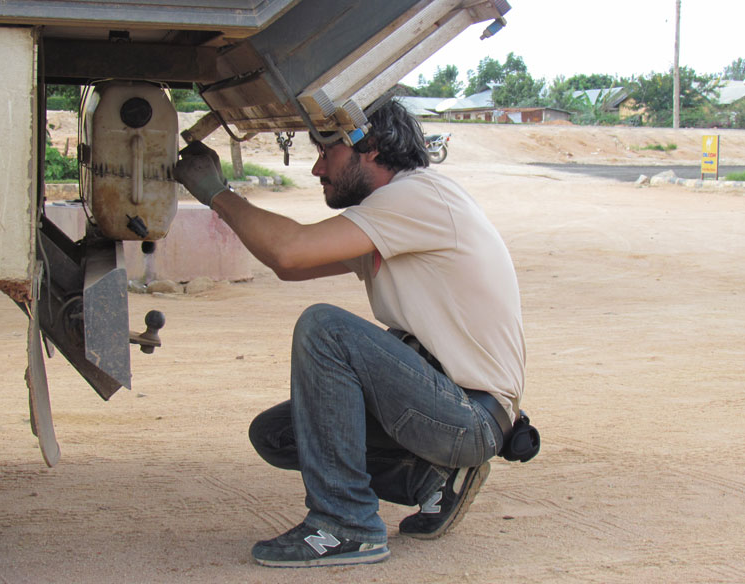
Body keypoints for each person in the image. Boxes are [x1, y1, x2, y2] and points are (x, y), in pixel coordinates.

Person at [173, 99, 525, 568]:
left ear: (371, 147)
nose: (318, 167)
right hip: (448, 407)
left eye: (326, 150)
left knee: (326, 329)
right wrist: (223, 195)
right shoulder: (393, 212)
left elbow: (290, 252)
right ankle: (430, 479)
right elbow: (291, 269)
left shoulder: (416, 198)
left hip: (467, 414)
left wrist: (217, 193)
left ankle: (347, 525)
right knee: (277, 435)